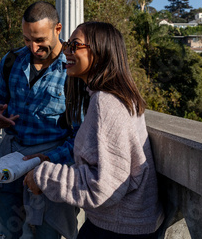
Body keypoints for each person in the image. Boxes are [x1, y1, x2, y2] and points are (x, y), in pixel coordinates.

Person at [24, 21, 165, 239]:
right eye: (67, 44)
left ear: (100, 51)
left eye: (74, 45)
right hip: (123, 223)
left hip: (117, 228)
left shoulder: (106, 102)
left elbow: (103, 186)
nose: (66, 51)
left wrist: (43, 176)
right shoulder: (114, 97)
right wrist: (48, 159)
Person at [0, 1, 79, 239]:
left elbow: (82, 135)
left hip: (50, 168)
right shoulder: (12, 60)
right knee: (7, 229)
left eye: (40, 40)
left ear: (58, 29)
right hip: (10, 165)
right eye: (27, 39)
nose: (33, 48)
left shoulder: (74, 69)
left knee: (46, 233)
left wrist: (47, 159)